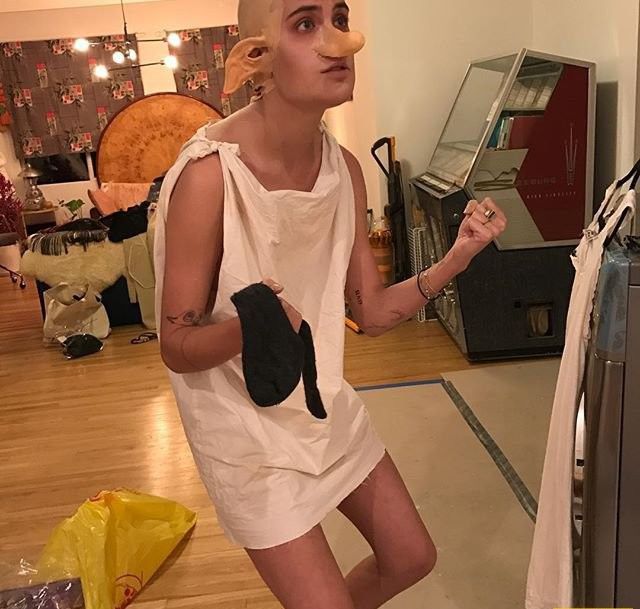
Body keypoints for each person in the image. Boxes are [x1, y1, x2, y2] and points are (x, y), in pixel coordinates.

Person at [153, 1, 507, 608]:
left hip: (321, 406)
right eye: (305, 24)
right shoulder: (209, 175)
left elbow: (370, 313)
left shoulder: (342, 168)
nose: (340, 42)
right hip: (244, 434)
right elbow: (175, 347)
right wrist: (258, 324)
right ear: (256, 58)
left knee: (411, 557)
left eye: (340, 19)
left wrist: (457, 257)